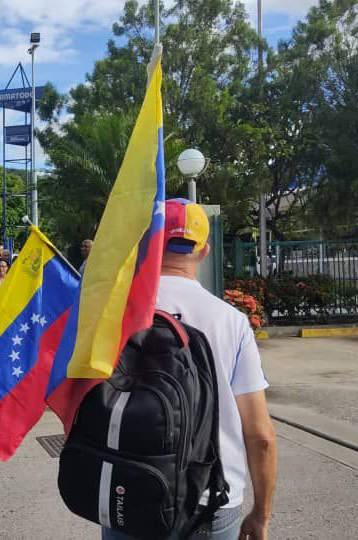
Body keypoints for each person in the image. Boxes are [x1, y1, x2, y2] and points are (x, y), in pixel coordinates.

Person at [103, 199, 277, 540]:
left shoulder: (116, 314)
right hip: (210, 500)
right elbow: (260, 436)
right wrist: (261, 514)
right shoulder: (232, 321)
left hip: (128, 489)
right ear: (204, 250)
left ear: (148, 243)